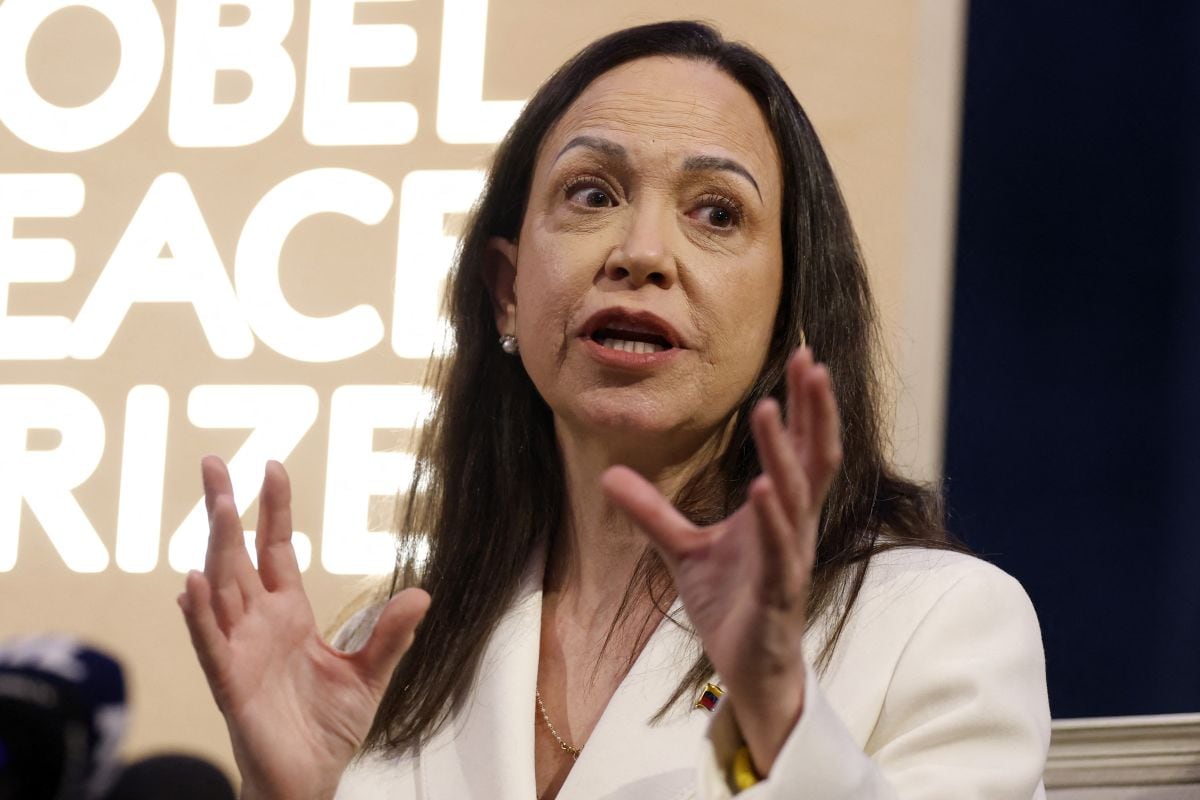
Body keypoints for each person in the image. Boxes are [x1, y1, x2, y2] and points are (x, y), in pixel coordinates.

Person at [178, 21, 1050, 800]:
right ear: (506, 292)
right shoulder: (392, 650)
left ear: (789, 309)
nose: (641, 253)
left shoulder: (933, 625)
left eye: (716, 212)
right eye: (592, 194)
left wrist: (775, 719)